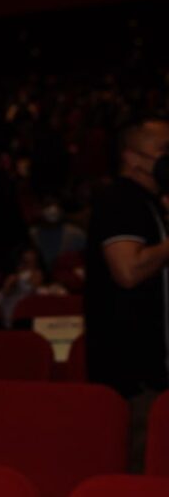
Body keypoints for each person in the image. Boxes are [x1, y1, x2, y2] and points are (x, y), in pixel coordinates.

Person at [85, 116, 169, 466]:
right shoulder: (121, 201)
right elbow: (128, 270)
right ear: (133, 157)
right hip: (135, 379)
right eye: (164, 151)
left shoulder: (152, 203)